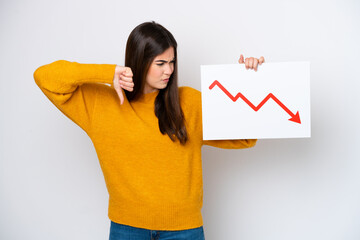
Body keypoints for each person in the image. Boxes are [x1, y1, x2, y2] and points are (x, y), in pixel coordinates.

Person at [34, 21, 265, 240]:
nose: (169, 71)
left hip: (184, 230)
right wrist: (109, 73)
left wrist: (246, 81)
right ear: (139, 61)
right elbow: (45, 77)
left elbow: (245, 136)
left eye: (172, 62)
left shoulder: (189, 103)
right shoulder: (102, 104)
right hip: (127, 229)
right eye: (161, 63)